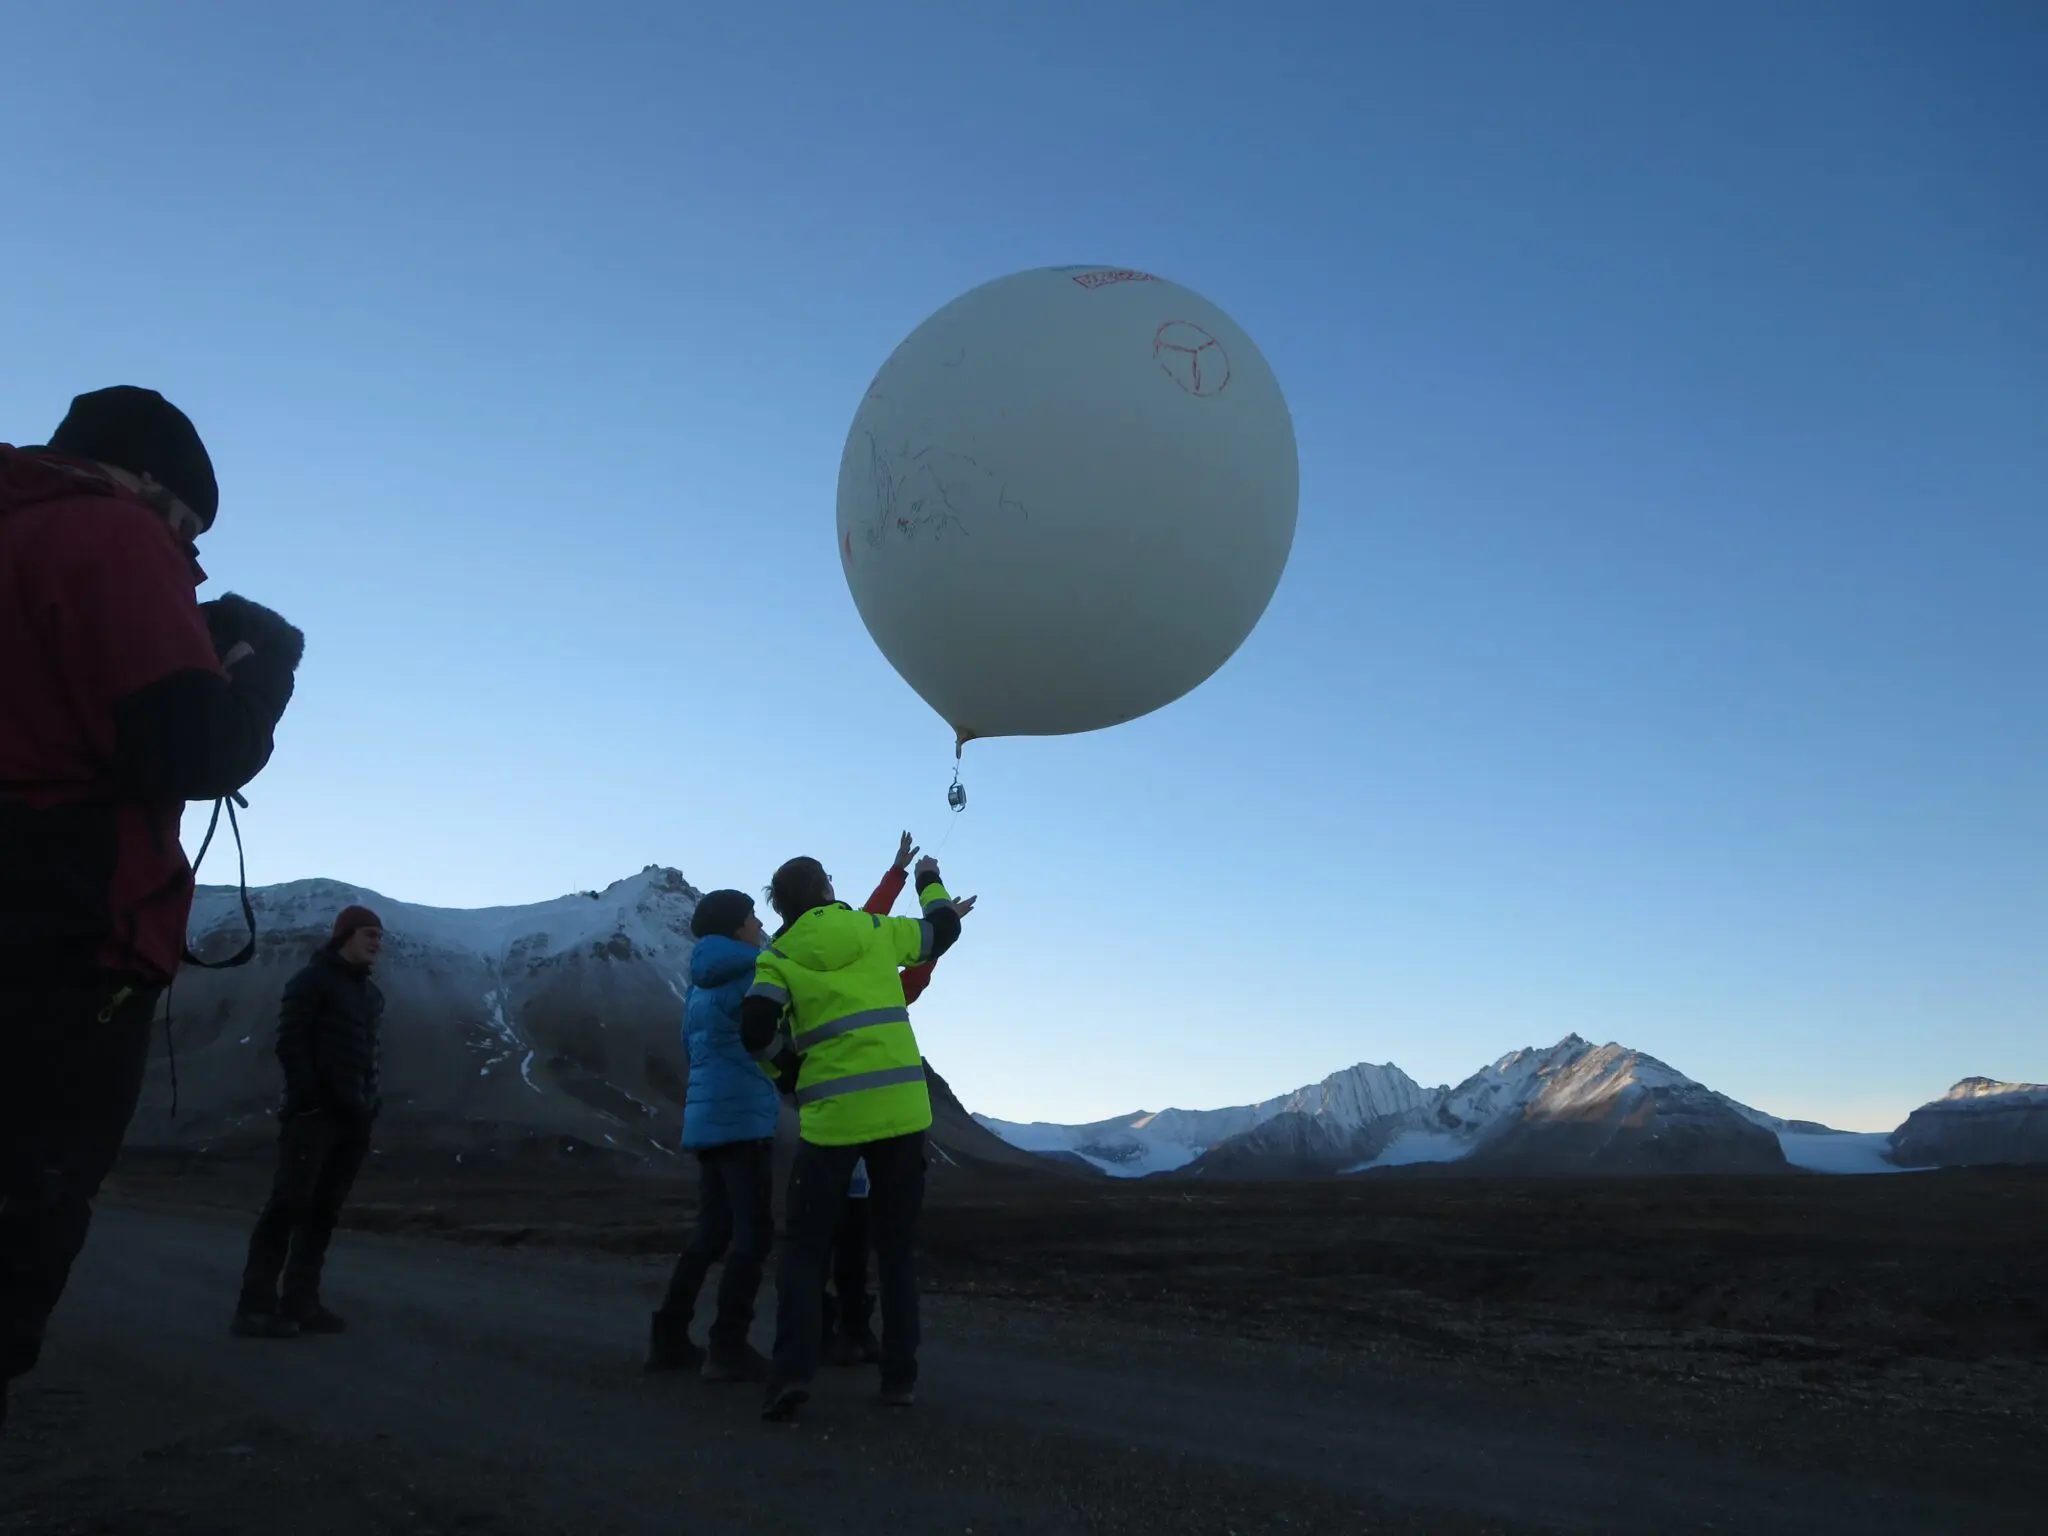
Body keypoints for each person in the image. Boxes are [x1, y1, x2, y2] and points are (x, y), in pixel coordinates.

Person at [0, 388, 301, 1427]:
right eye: (185, 524)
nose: (191, 556)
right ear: (139, 480)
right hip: (58, 939)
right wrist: (261, 679)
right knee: (19, 1228)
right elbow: (190, 749)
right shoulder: (109, 536)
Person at [743, 852, 962, 1420]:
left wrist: (786, 1072)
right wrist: (928, 881)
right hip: (900, 1114)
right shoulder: (873, 930)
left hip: (831, 1119)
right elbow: (943, 931)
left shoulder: (777, 957)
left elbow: (755, 1030)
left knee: (804, 1251)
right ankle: (899, 1379)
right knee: (894, 1252)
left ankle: (791, 1372)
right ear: (826, 888)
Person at [822, 832, 977, 1368]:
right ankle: (890, 1362)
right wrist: (927, 886)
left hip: (834, 1124)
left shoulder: (798, 963)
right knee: (887, 1243)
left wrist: (896, 877)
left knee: (831, 1231)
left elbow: (868, 926)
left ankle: (820, 1338)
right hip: (888, 1123)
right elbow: (912, 954)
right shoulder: (880, 981)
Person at [232, 906, 386, 1337]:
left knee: (323, 1212)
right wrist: (309, 1098)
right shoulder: (311, 981)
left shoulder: (371, 995)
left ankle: (302, 1302)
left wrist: (371, 1103)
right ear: (345, 936)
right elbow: (290, 1041)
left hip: (354, 1118)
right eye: (369, 934)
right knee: (287, 1205)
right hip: (313, 1117)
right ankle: (254, 1307)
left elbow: (368, 1054)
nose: (377, 943)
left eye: (379, 936)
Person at [647, 888, 777, 1383]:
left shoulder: (699, 983)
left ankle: (669, 1336)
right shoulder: (751, 971)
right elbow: (764, 1032)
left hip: (707, 1117)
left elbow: (690, 1046)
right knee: (753, 1230)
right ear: (736, 927)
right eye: (750, 917)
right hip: (743, 1114)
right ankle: (728, 1345)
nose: (758, 922)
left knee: (712, 1230)